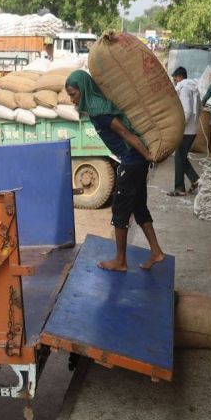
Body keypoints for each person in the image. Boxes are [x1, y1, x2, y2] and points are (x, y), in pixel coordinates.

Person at [65, 70, 165, 272]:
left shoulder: (100, 111)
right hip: (133, 160)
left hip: (133, 161)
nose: (71, 99)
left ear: (83, 90)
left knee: (120, 210)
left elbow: (125, 133)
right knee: (138, 207)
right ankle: (156, 252)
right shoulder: (94, 109)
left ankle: (120, 261)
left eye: (73, 94)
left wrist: (147, 155)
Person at [168, 67, 201, 196]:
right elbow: (200, 107)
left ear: (179, 77)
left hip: (185, 130)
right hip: (191, 129)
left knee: (178, 158)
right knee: (181, 157)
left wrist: (179, 127)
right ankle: (195, 180)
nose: (175, 81)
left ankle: (180, 188)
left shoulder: (184, 89)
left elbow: (186, 111)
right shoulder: (194, 89)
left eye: (175, 78)